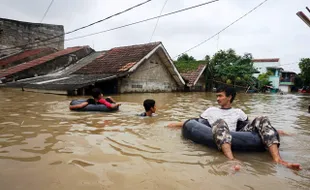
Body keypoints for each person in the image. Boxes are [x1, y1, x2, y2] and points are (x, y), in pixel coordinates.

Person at [167, 86, 301, 171]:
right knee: (220, 122)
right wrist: (176, 124)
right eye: (217, 96)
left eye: (220, 96)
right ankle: (231, 160)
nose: (217, 99)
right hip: (219, 132)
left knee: (262, 118)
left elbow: (252, 127)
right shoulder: (211, 110)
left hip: (236, 134)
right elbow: (195, 122)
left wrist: (278, 132)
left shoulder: (238, 112)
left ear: (229, 97)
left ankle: (278, 159)